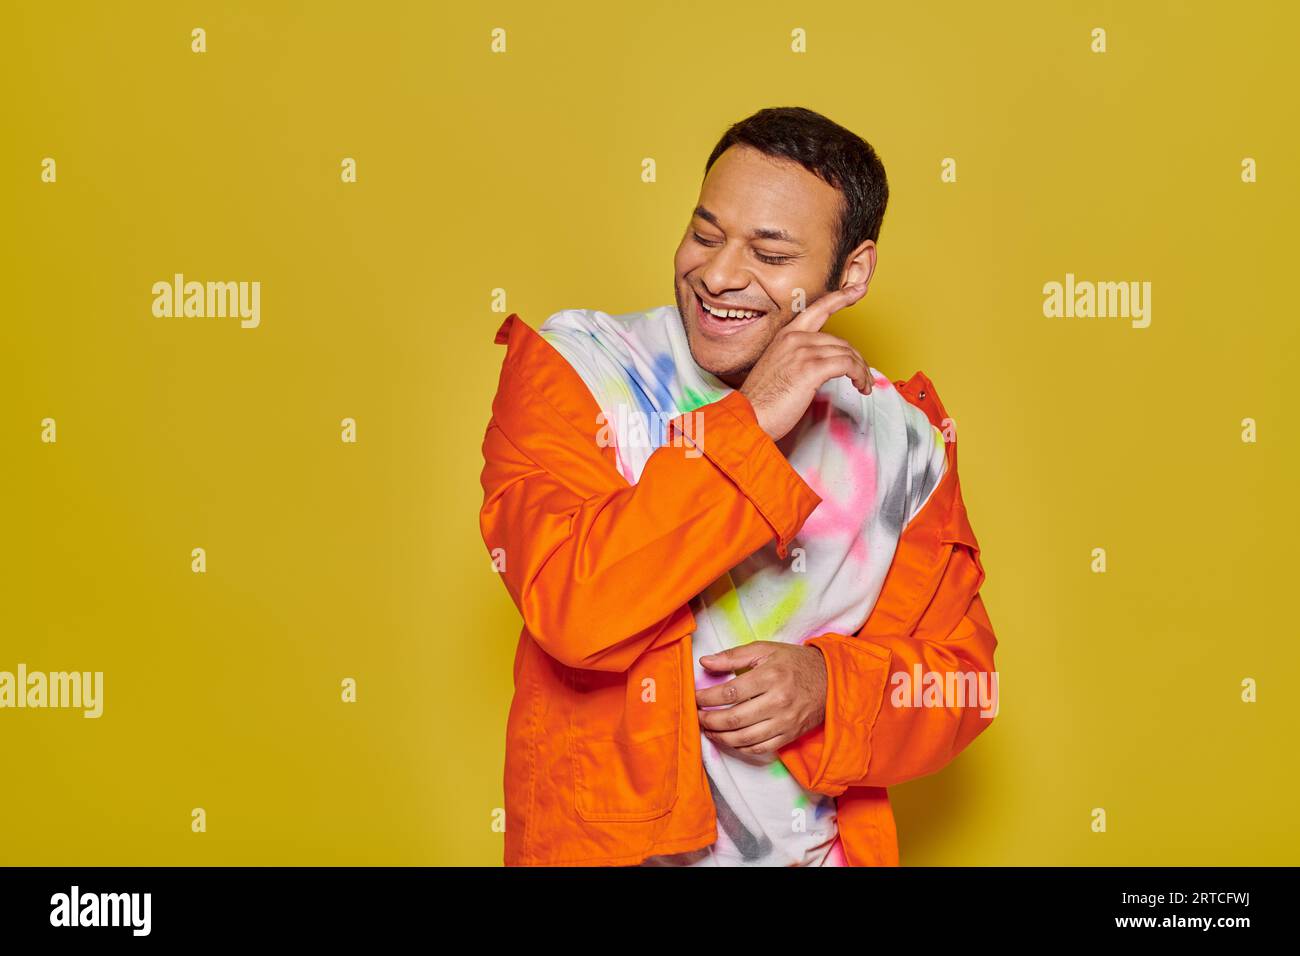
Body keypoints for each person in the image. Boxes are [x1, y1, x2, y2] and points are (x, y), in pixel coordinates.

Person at [479, 106, 997, 866]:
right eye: (706, 233)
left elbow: (963, 684)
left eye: (770, 252)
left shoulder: (904, 436)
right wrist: (750, 421)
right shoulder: (575, 370)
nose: (718, 275)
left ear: (850, 273)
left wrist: (831, 686)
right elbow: (575, 604)